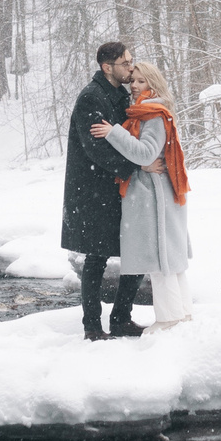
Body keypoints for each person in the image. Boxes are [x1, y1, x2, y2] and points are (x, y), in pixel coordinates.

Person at [61, 41, 159, 340]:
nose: (131, 67)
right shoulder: (91, 97)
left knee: (136, 251)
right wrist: (139, 165)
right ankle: (92, 327)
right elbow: (96, 150)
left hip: (117, 189)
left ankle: (120, 319)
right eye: (125, 63)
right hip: (93, 192)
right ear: (107, 67)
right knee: (96, 258)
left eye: (131, 61)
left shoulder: (120, 94)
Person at [89, 60, 193, 332]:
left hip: (154, 196)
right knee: (170, 260)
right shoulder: (147, 112)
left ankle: (169, 319)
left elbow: (146, 153)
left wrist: (113, 132)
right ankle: (182, 314)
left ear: (153, 84)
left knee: (160, 261)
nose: (134, 85)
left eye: (141, 81)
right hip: (160, 194)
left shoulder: (152, 114)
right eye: (133, 80)